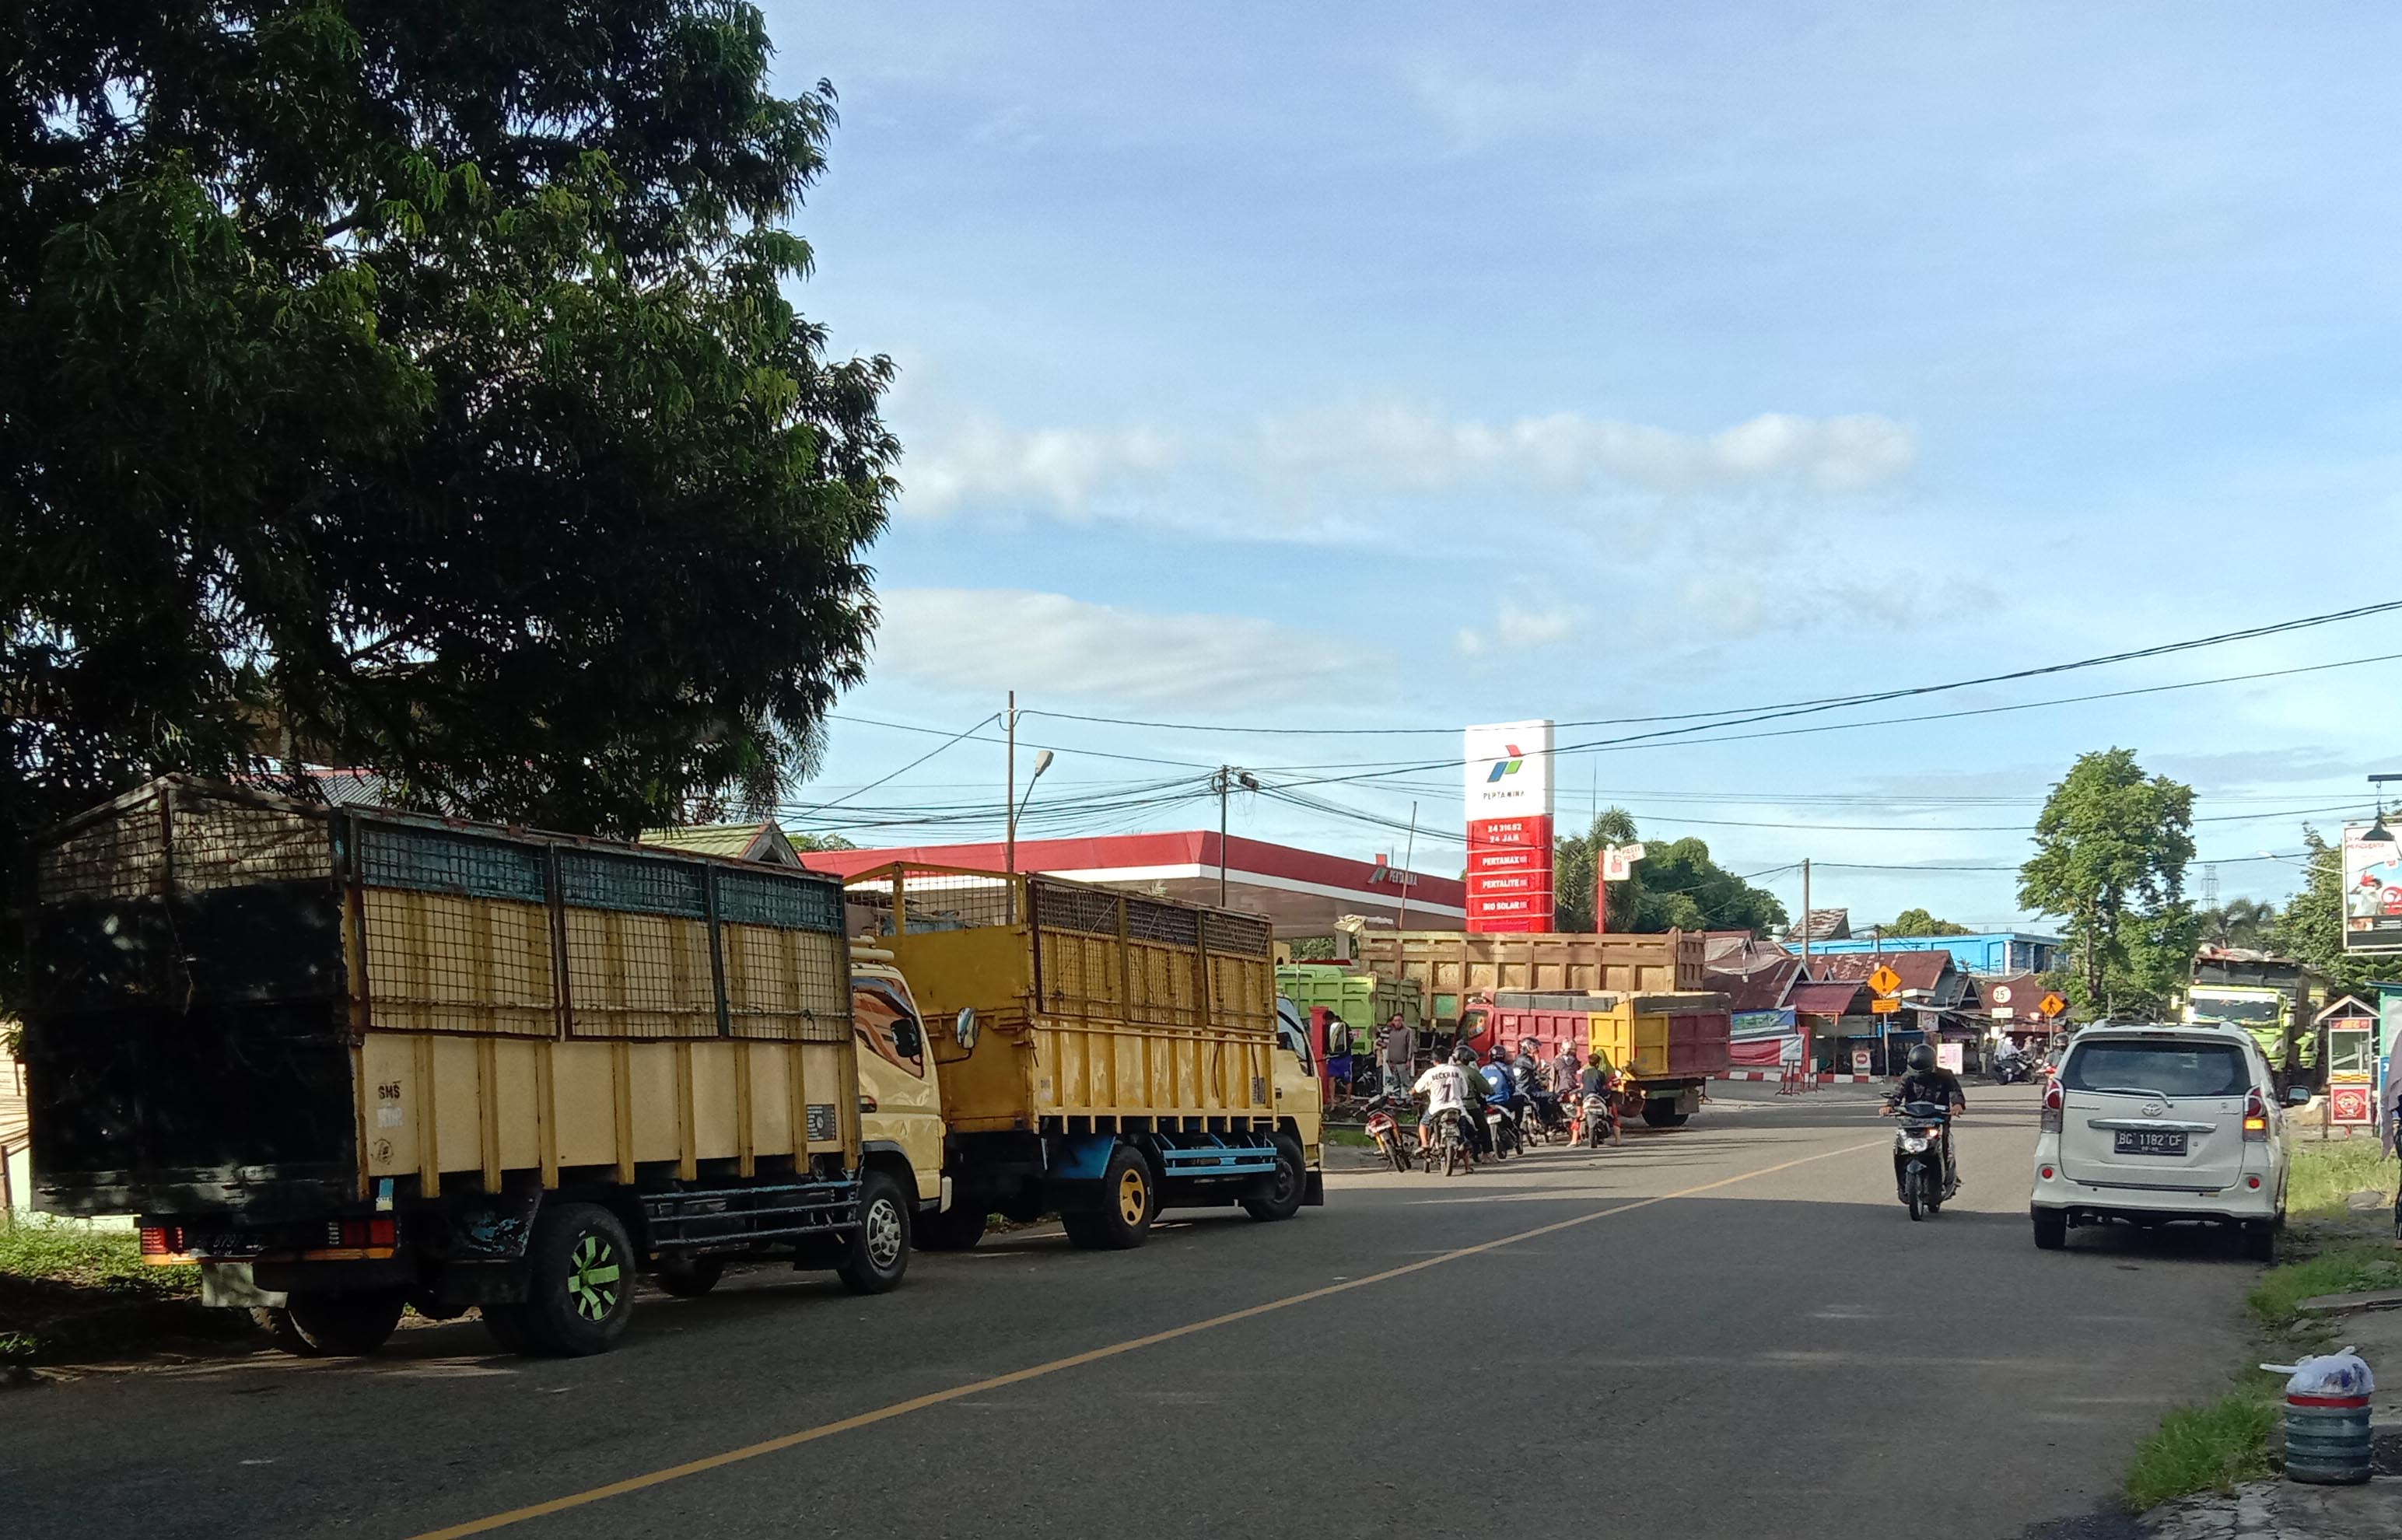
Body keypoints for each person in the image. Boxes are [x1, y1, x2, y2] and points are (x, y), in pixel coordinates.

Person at [1885, 1042, 1969, 1188]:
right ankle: (1902, 1176)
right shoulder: (1908, 1076)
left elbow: (1955, 1092)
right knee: (1899, 1144)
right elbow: (1898, 1092)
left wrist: (1957, 1105)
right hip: (1912, 1120)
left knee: (1944, 1145)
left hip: (1937, 1119)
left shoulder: (1945, 1075)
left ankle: (1948, 1174)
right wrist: (1889, 1105)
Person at [1411, 1048, 1476, 1163]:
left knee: (1423, 1123)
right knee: (1462, 1136)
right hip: (1457, 1108)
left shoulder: (1430, 1073)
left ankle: (1425, 1144)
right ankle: (1467, 1165)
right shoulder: (1456, 1070)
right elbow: (1464, 1092)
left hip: (1437, 1108)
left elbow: (1418, 1088)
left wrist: (1411, 1092)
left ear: (1434, 1061)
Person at [1378, 1012, 1414, 1100]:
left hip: (1403, 1062)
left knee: (1406, 1083)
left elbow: (1410, 1046)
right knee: (1395, 1084)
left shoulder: (1407, 1031)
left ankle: (1410, 1101)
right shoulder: (1392, 1032)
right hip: (1393, 1062)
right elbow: (1389, 1047)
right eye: (1395, 1021)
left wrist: (1408, 1060)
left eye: (1399, 1020)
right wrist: (1388, 1060)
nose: (1397, 1022)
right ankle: (1397, 1102)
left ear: (1402, 1021)